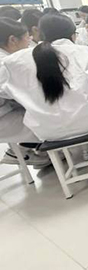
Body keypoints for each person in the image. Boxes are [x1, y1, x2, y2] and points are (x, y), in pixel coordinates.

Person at [0, 14, 88, 160]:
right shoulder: (84, 52)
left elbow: (5, 93)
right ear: (73, 35)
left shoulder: (12, 62)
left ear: (41, 34)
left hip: (47, 130)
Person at [0, 18, 49, 167]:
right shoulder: (6, 64)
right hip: (4, 118)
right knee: (51, 120)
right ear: (13, 40)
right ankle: (19, 151)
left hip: (6, 109)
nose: (30, 40)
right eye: (27, 37)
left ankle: (27, 150)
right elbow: (24, 93)